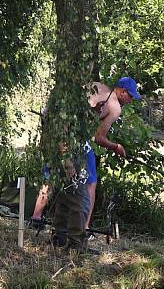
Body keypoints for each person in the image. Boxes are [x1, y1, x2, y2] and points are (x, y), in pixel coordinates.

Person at [31, 76, 141, 246]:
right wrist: (116, 146)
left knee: (53, 173)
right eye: (130, 96)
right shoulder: (115, 106)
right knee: (91, 182)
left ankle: (36, 218)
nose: (131, 100)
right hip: (70, 132)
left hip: (54, 123)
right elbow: (98, 137)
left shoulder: (96, 85)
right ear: (122, 91)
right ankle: (84, 227)